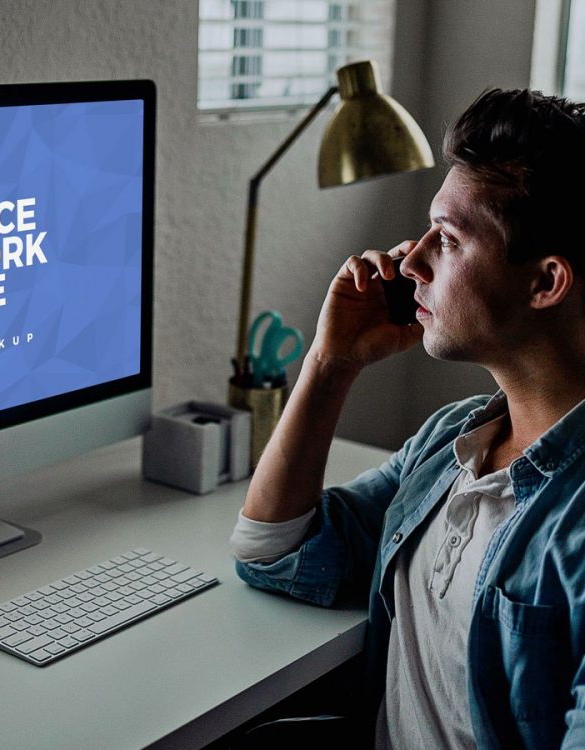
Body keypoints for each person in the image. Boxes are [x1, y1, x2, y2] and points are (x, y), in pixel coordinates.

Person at [229, 87, 585, 749]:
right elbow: (272, 553)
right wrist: (331, 362)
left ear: (545, 282)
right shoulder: (451, 444)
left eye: (447, 240)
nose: (410, 260)